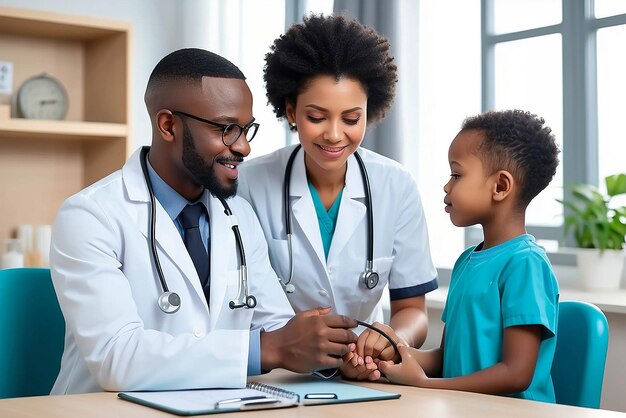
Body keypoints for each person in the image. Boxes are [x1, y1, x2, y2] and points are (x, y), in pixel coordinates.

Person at [49, 48, 358, 395]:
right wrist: (269, 349)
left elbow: (276, 326)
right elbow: (115, 358)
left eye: (246, 129)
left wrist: (333, 350)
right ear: (168, 126)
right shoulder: (91, 216)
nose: (243, 147)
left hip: (214, 406)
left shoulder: (238, 216)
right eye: (227, 129)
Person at [237, 14, 438, 381]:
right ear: (291, 111)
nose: (334, 134)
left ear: (369, 113)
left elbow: (414, 310)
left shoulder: (396, 185)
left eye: (351, 118)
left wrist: (389, 339)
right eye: (316, 116)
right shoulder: (249, 183)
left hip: (365, 376)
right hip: (275, 378)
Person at [379, 109, 560, 402]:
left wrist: (424, 385)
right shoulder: (466, 261)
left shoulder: (526, 264)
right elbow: (446, 358)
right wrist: (395, 356)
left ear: (500, 186)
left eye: (456, 174)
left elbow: (516, 374)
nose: (447, 186)